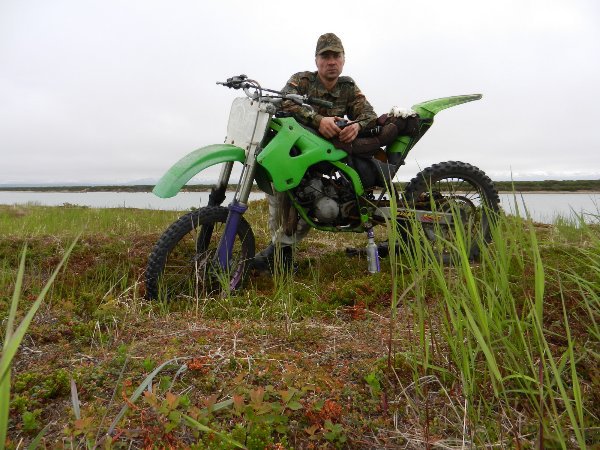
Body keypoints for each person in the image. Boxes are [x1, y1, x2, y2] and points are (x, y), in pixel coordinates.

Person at [253, 33, 405, 273]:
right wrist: (318, 119)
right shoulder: (302, 80)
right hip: (296, 151)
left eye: (336, 56)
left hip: (325, 156)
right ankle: (280, 251)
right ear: (317, 60)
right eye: (325, 56)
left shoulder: (347, 86)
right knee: (279, 196)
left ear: (343, 60)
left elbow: (369, 115)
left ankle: (282, 253)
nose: (331, 61)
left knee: (311, 199)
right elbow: (284, 102)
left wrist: (357, 126)